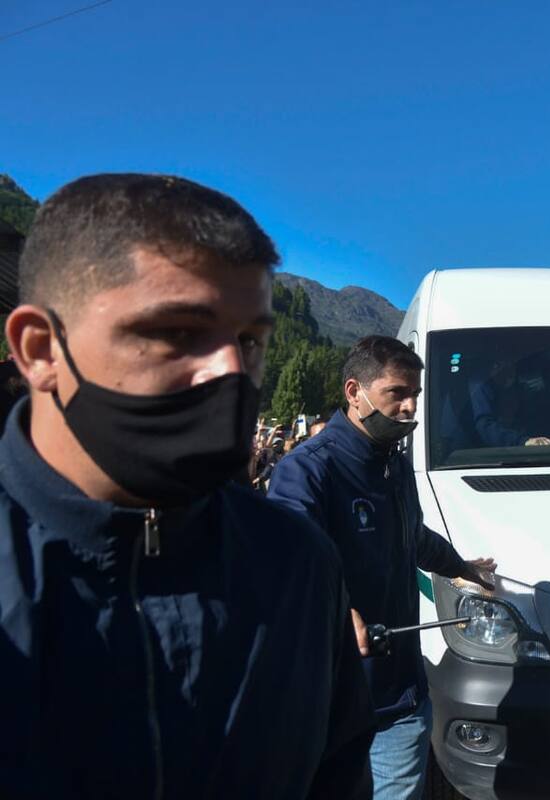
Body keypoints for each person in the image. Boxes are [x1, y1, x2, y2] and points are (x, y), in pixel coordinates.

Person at [0, 174, 376, 798]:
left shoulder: (299, 566)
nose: (231, 370)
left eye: (250, 341)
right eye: (176, 332)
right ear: (40, 350)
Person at [268, 336, 497, 800]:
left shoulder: (393, 465)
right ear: (355, 392)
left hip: (399, 702)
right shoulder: (308, 471)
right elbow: (287, 558)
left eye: (415, 395)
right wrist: (337, 609)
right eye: (397, 394)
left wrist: (462, 567)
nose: (411, 407)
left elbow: (413, 539)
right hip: (328, 705)